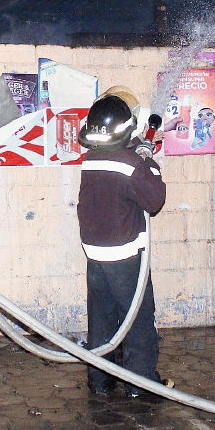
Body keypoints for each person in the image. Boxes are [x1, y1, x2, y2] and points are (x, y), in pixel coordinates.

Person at [77, 91, 168, 399]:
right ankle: (141, 384)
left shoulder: (91, 158)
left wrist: (136, 151)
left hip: (95, 256)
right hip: (126, 259)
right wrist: (149, 161)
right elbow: (154, 199)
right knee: (139, 320)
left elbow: (118, 172)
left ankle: (100, 381)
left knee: (102, 319)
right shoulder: (132, 164)